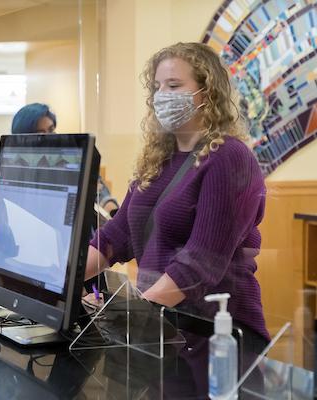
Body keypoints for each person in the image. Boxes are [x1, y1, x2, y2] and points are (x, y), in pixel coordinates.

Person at [85, 42, 269, 352]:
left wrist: (132, 314)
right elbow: (118, 235)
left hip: (216, 335)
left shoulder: (229, 157)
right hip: (165, 329)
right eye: (157, 87)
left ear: (206, 93)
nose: (161, 96)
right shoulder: (158, 158)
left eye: (173, 85)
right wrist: (61, 281)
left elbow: (200, 262)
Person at [11, 102, 119, 216]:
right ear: (22, 139)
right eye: (40, 133)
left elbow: (99, 191)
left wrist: (113, 212)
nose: (50, 137)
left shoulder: (69, 160)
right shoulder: (14, 170)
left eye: (51, 130)